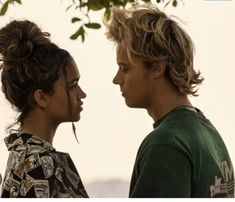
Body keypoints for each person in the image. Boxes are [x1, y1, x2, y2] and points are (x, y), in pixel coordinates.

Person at [105, 3, 234, 198]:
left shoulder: (166, 144)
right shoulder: (207, 133)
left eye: (125, 69)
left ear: (157, 68)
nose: (116, 80)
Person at [0, 20, 88, 198]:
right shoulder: (38, 164)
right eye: (72, 85)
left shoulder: (27, 157)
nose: (82, 94)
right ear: (42, 97)